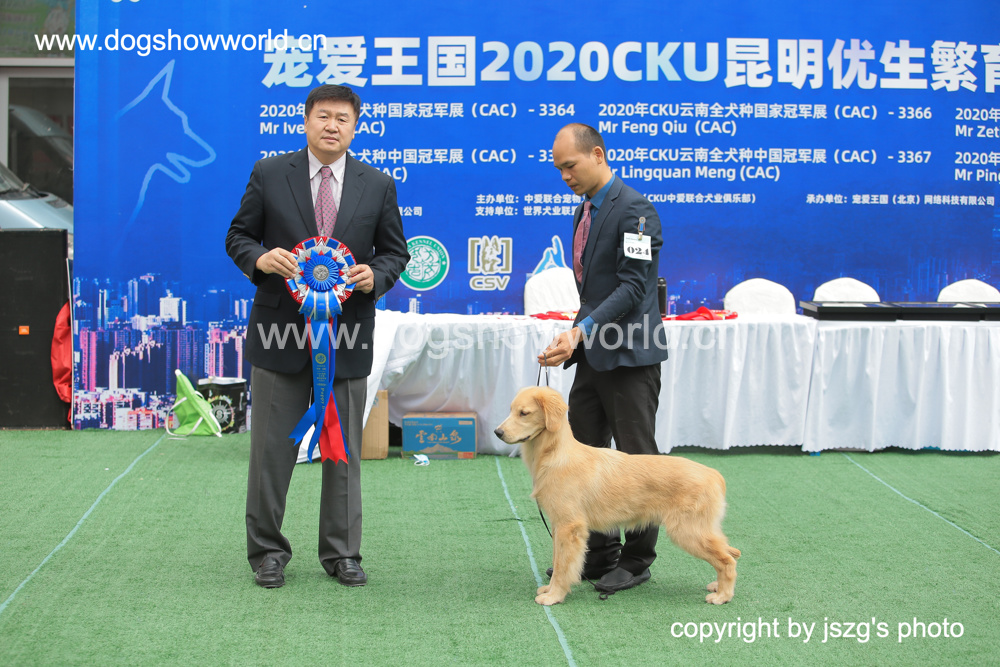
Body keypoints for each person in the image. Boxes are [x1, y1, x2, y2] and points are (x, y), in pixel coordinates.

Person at [226, 84, 409, 589]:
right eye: (323, 116)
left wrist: (376, 275)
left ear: (356, 127)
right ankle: (267, 551)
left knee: (342, 449)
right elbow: (238, 236)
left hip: (346, 335)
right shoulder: (269, 173)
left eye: (342, 119)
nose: (332, 126)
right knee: (271, 451)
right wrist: (260, 259)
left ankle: (342, 553)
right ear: (306, 121)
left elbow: (396, 252)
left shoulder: (378, 184)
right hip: (279, 333)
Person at [539, 123, 669, 593]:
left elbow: (633, 287)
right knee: (582, 453)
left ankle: (636, 561)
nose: (565, 176)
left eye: (570, 166)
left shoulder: (635, 210)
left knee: (639, 461)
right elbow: (594, 293)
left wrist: (581, 331)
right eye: (559, 169)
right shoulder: (584, 210)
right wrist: (573, 340)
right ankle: (597, 554)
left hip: (630, 356)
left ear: (597, 154)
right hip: (593, 355)